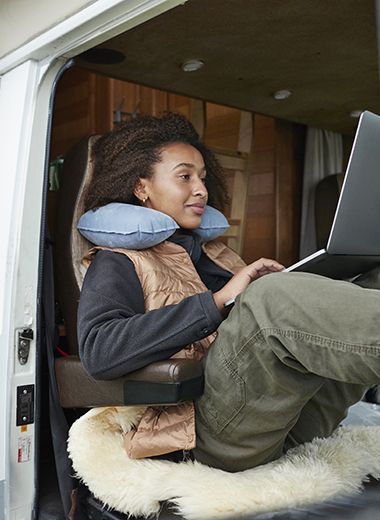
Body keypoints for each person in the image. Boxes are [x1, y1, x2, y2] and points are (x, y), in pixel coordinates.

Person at [76, 111, 380, 472]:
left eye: (203, 177)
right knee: (268, 299)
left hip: (285, 419)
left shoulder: (215, 253)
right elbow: (99, 350)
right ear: (141, 187)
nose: (201, 189)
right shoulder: (117, 260)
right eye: (185, 176)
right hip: (204, 434)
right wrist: (218, 302)